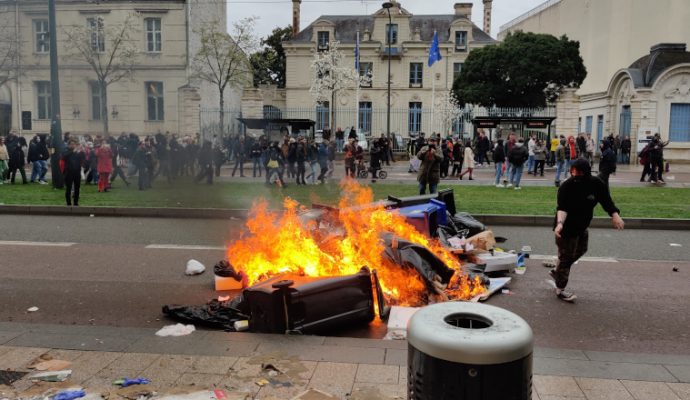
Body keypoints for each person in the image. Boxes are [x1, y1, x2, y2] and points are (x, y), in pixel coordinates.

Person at [550, 158, 624, 302]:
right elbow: (562, 208)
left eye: (578, 172)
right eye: (572, 171)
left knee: (581, 250)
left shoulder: (596, 184)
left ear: (586, 172)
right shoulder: (567, 186)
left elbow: (606, 201)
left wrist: (615, 215)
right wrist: (560, 223)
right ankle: (560, 289)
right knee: (566, 259)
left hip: (582, 226)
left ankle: (558, 272)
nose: (575, 174)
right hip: (565, 228)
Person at [61, 139, 85, 206]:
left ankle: (76, 202)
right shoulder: (66, 151)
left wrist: (82, 151)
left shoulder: (78, 152)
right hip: (68, 172)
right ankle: (68, 203)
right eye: (71, 144)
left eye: (74, 144)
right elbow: (64, 157)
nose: (73, 145)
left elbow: (83, 159)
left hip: (77, 172)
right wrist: (72, 152)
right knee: (68, 188)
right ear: (68, 145)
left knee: (77, 188)